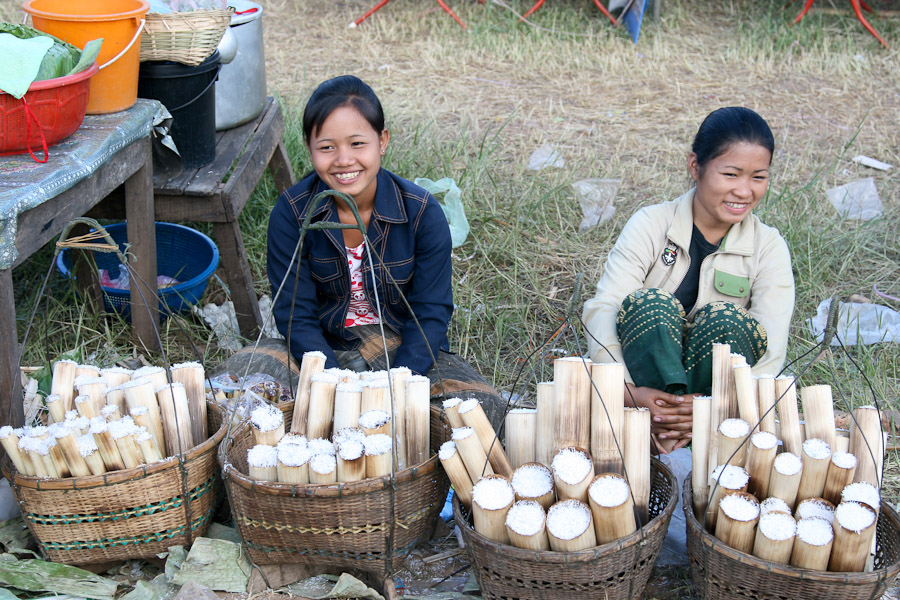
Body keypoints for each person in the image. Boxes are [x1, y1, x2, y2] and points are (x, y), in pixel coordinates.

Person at [266, 75, 503, 424]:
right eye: (327, 147)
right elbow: (294, 316)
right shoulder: (292, 212)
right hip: (323, 346)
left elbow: (430, 313)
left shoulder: (421, 212)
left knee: (478, 409)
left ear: (383, 141)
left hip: (401, 344)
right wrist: (335, 385)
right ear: (309, 147)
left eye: (358, 143)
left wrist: (397, 386)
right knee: (250, 396)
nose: (344, 160)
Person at [582, 107, 795, 452]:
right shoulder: (651, 223)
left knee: (725, 319)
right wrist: (627, 392)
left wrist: (713, 409)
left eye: (758, 177)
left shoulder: (768, 247)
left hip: (717, 402)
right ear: (695, 166)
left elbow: (771, 349)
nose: (744, 191)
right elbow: (604, 308)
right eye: (731, 174)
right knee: (649, 304)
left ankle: (686, 436)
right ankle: (652, 432)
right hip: (641, 386)